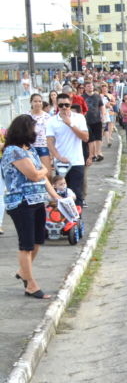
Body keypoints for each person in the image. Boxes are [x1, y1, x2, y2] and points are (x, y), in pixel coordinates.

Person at [3, 114, 60, 299]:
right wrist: (44, 169)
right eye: (34, 128)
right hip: (21, 202)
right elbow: (37, 174)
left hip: (37, 200)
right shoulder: (13, 151)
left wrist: (55, 196)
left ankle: (23, 271)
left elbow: (43, 176)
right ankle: (30, 285)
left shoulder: (29, 149)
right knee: (26, 244)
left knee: (38, 240)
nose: (36, 132)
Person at [45, 95, 89, 208]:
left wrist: (70, 124)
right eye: (61, 105)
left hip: (77, 161)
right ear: (57, 106)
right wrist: (58, 157)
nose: (64, 107)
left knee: (76, 192)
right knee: (62, 192)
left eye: (67, 105)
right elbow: (50, 142)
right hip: (61, 163)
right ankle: (65, 220)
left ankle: (77, 220)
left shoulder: (79, 118)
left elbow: (85, 137)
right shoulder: (51, 121)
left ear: (70, 104)